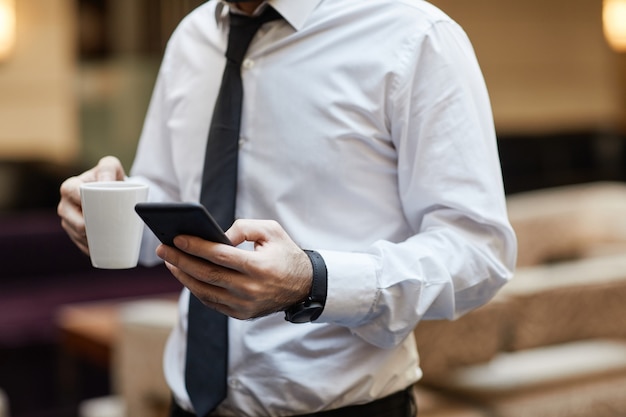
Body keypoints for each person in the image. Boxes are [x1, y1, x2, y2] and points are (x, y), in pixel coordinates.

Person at [58, 0, 517, 416]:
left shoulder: (415, 36)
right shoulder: (191, 37)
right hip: (189, 404)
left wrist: (314, 281)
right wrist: (105, 210)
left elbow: (477, 250)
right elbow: (165, 202)